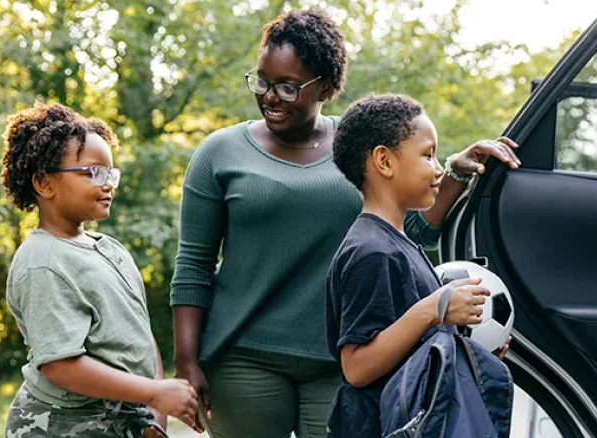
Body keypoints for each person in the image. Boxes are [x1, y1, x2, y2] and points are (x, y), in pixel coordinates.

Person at [170, 9, 520, 438]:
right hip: (244, 360)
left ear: (326, 87)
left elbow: (405, 234)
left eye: (288, 86)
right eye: (262, 80)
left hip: (340, 361)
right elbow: (193, 266)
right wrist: (186, 361)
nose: (270, 96)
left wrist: (456, 175)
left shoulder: (363, 145)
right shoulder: (219, 153)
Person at [0, 102, 198, 437]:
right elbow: (60, 365)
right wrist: (153, 393)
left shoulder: (109, 249)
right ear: (44, 183)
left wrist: (151, 416)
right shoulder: (42, 261)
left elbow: (140, 337)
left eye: (110, 173)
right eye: (93, 172)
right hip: (61, 425)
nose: (108, 184)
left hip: (120, 422)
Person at [326, 93, 513, 437]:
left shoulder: (396, 242)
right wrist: (433, 308)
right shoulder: (372, 252)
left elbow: (413, 351)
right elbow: (356, 366)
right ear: (384, 161)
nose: (439, 167)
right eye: (427, 155)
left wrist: (470, 355)